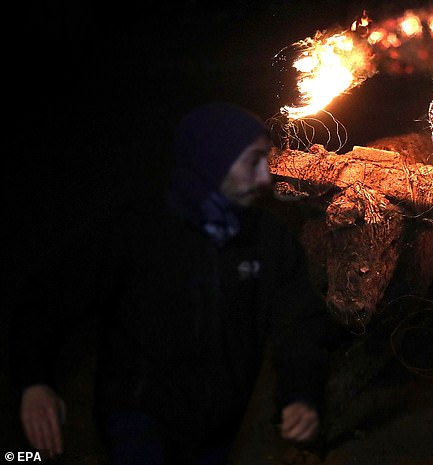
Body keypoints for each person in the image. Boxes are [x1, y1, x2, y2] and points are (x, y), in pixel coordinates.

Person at [10, 102, 331, 464]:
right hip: (137, 421)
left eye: (265, 161)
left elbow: (298, 323)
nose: (264, 178)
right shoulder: (137, 231)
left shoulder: (268, 239)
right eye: (253, 161)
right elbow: (48, 301)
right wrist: (34, 381)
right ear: (213, 160)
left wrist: (301, 395)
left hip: (218, 429)